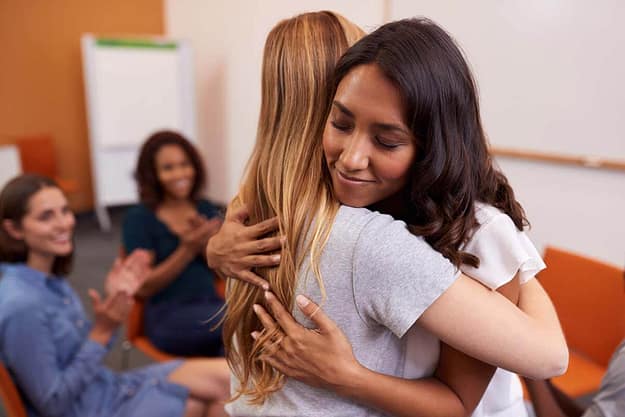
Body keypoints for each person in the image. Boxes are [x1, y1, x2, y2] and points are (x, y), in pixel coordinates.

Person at [212, 12, 567, 417]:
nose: (351, 159)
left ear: (430, 145)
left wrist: (516, 261)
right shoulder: (355, 205)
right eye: (341, 123)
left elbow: (538, 363)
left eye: (386, 140)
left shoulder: (474, 234)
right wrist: (214, 250)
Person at [0, 174, 229, 417]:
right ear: (14, 229)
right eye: (46, 216)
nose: (64, 223)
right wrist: (102, 332)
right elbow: (55, 403)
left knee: (229, 380)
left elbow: (79, 352)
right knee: (214, 401)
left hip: (108, 387)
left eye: (65, 211)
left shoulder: (50, 281)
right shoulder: (22, 305)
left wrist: (112, 305)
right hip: (94, 408)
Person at [122, 130, 224, 357]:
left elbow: (226, 274)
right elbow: (143, 286)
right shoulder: (140, 218)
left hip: (212, 307)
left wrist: (210, 249)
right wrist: (187, 249)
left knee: (237, 345)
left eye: (184, 164)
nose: (179, 173)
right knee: (242, 323)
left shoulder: (205, 209)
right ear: (152, 174)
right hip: (168, 316)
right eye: (168, 168)